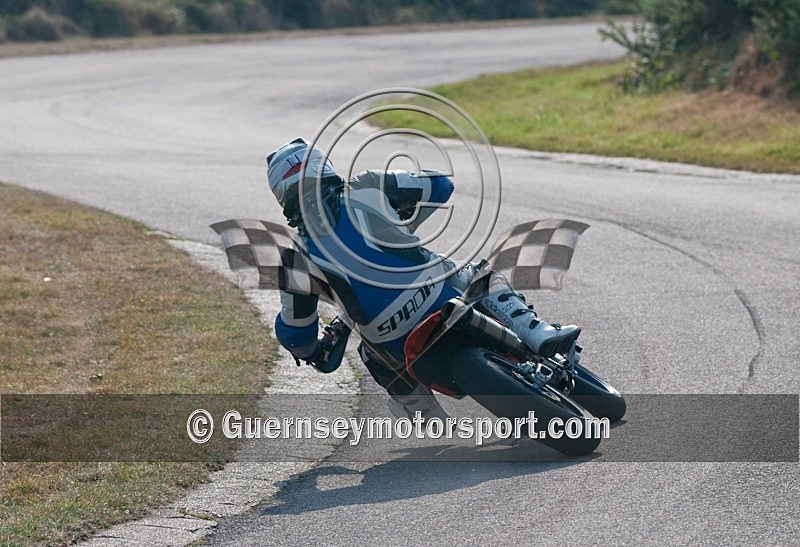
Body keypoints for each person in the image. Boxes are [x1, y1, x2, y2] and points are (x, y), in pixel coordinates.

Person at [266, 138, 579, 418]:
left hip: (392, 341)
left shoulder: (295, 259)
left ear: (282, 196)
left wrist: (311, 351)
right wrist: (400, 213)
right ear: (324, 167)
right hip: (439, 293)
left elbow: (296, 334)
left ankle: (428, 416)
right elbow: (440, 185)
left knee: (371, 355)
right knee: (482, 276)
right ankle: (536, 332)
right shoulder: (367, 186)